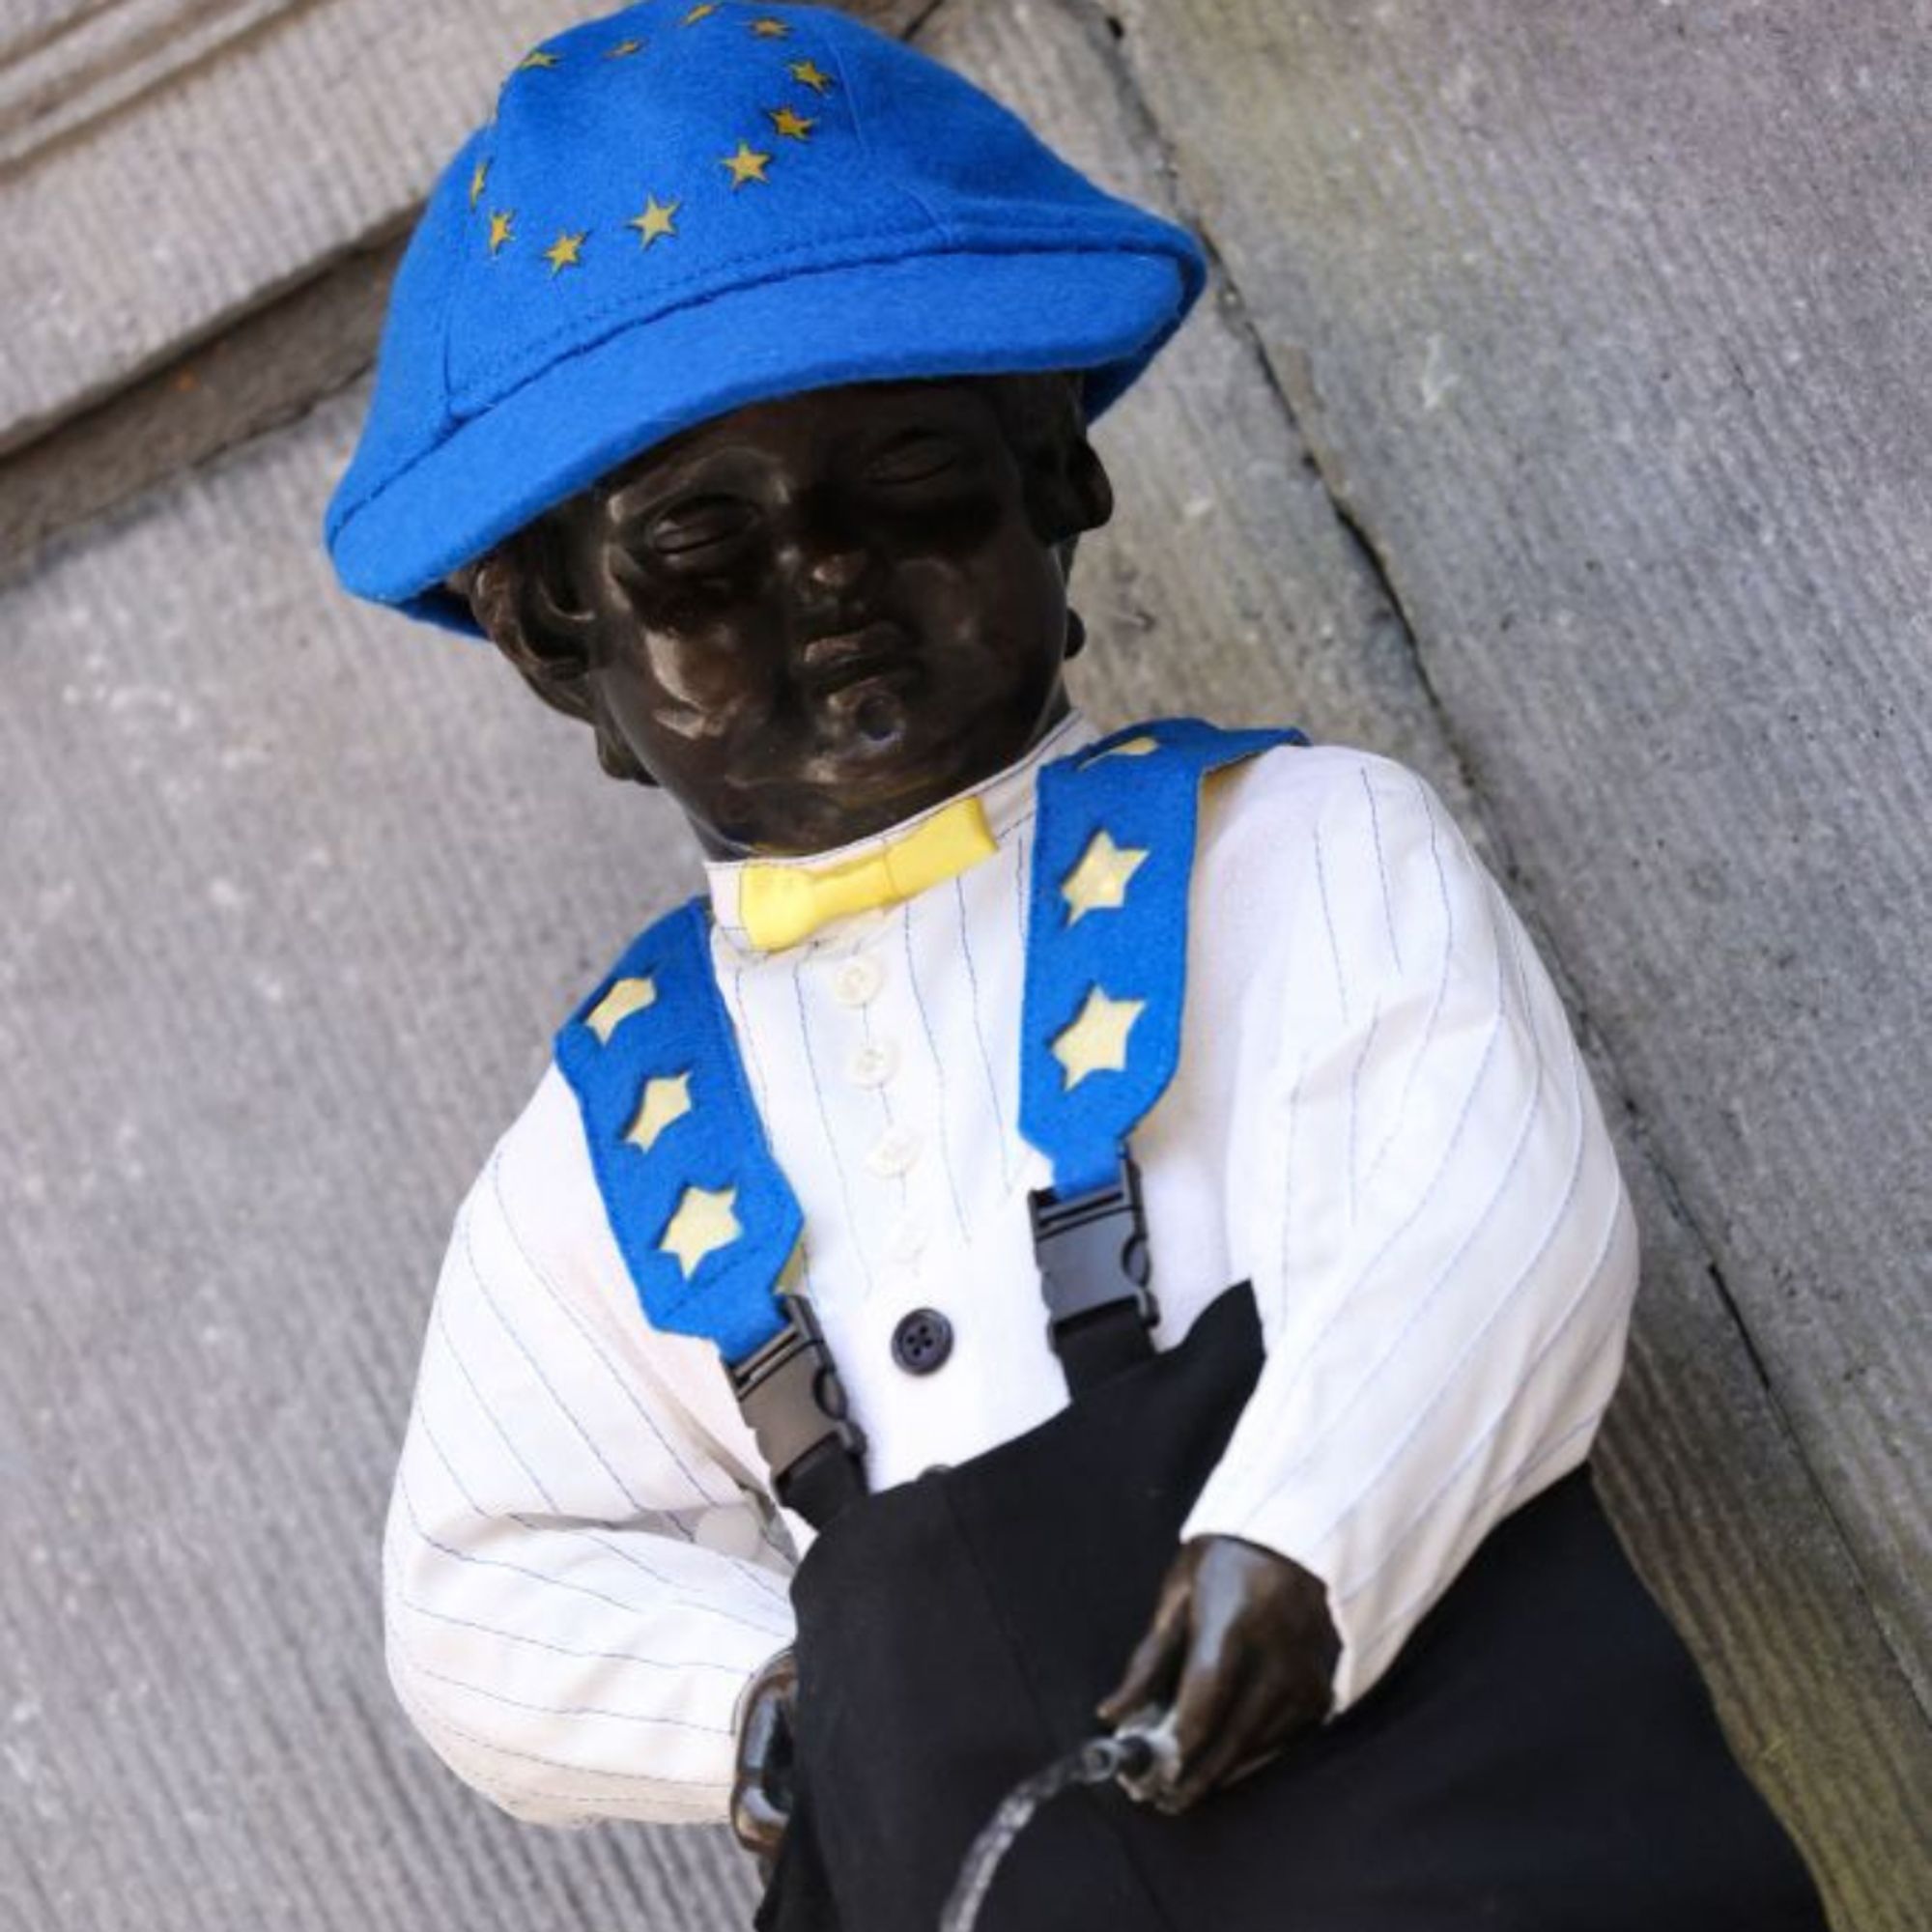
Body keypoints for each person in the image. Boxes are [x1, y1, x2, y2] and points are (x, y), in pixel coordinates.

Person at [322, 4, 1829, 1927]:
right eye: (702, 557)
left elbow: (1490, 1219)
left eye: (910, 485)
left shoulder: (1296, 855)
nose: (830, 581)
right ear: (560, 648)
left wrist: (1311, 1530)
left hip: (1431, 1803)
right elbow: (472, 1585)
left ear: (1056, 477)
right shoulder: (597, 1139)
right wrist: (771, 1704)